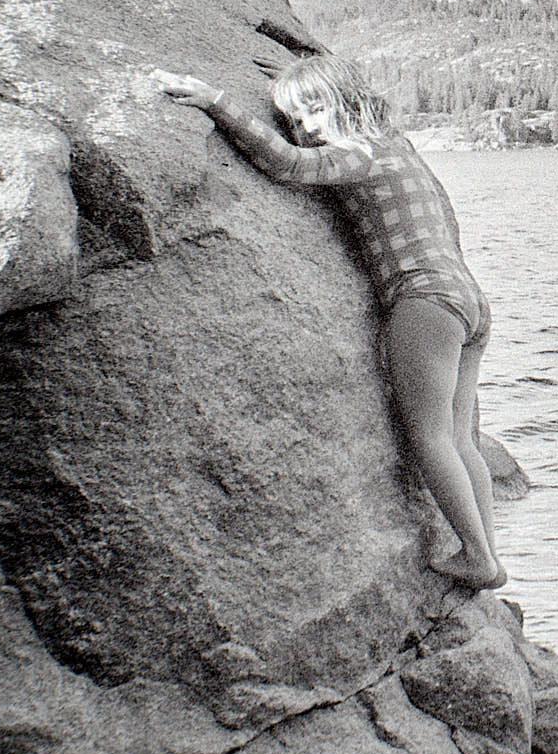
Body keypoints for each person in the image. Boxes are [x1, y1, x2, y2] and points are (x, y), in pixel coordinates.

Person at [153, 54, 508, 590]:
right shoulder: (398, 146)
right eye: (297, 120)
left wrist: (217, 101)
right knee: (461, 438)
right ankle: (489, 554)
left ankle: (479, 558)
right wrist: (300, 79)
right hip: (470, 302)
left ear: (346, 100)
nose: (306, 129)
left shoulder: (357, 155)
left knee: (429, 437)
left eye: (314, 112)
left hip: (424, 299)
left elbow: (290, 166)